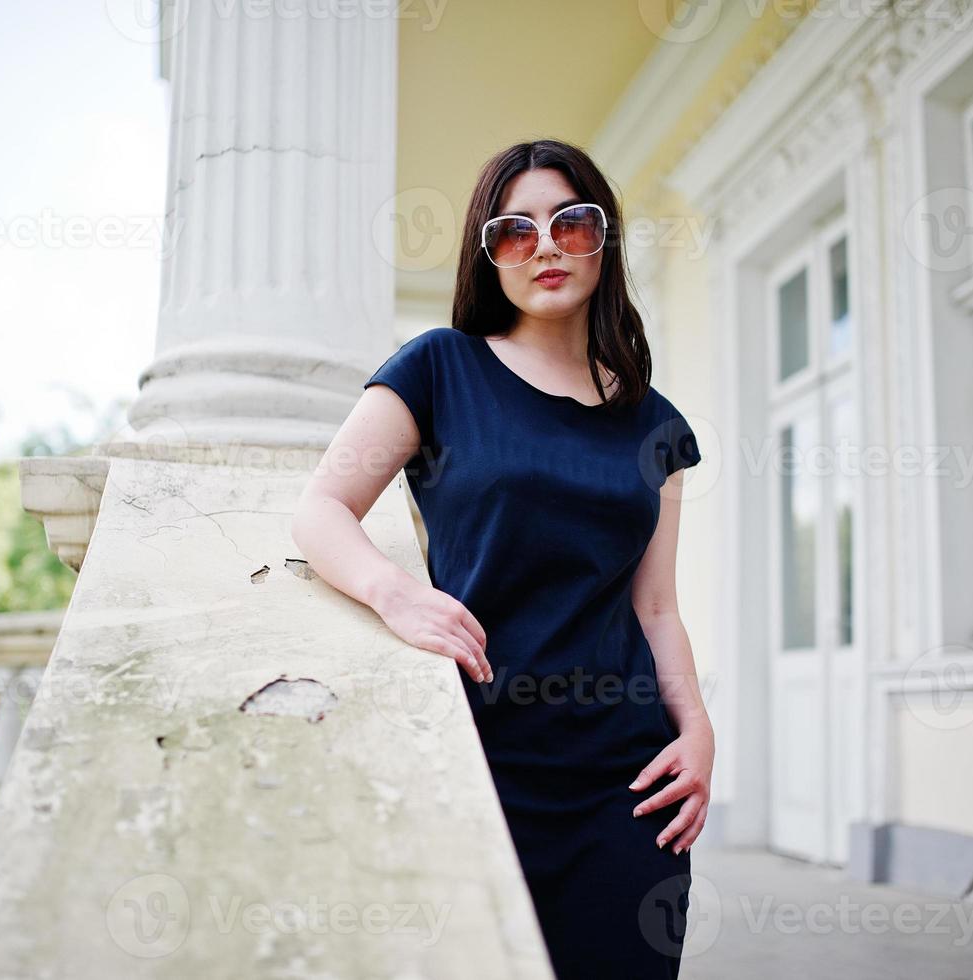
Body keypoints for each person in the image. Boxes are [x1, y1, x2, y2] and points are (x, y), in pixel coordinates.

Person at [291, 138, 713, 979]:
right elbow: (319, 509)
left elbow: (655, 606)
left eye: (571, 222)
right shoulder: (439, 369)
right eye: (514, 232)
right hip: (472, 761)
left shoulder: (654, 424)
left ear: (605, 239)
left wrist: (696, 727)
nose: (547, 245)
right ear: (488, 258)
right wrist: (393, 594)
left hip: (624, 786)